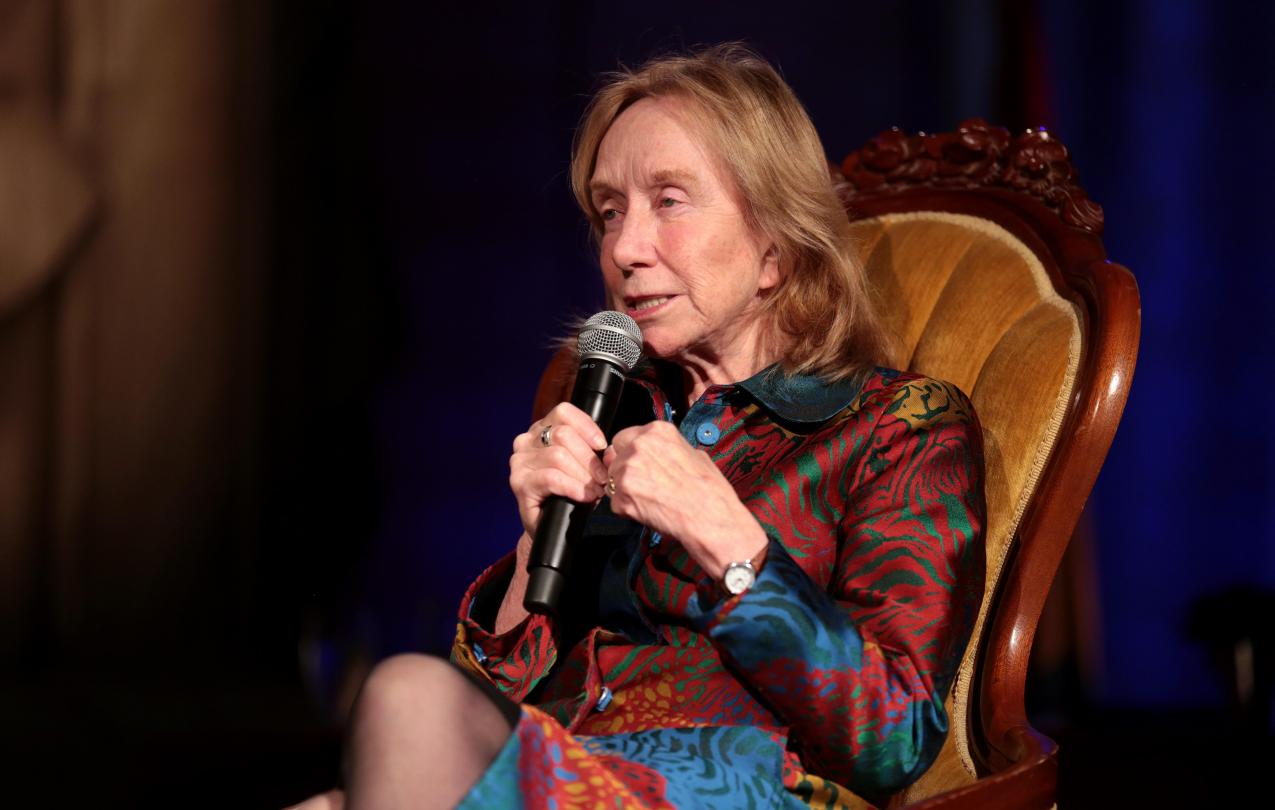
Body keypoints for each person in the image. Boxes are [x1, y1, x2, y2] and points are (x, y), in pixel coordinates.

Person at [293, 43, 985, 810]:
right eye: (609, 212)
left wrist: (726, 540)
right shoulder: (610, 409)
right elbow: (483, 713)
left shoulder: (897, 427)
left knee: (405, 695)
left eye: (669, 200)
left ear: (775, 245)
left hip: (734, 790)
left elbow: (893, 736)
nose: (623, 249)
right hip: (569, 773)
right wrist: (532, 548)